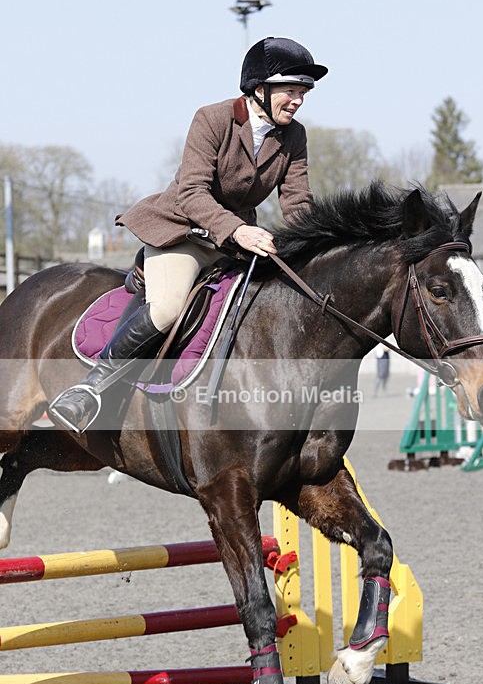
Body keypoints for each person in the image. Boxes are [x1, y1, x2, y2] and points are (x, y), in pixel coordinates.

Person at [49, 37, 328, 433]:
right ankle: (89, 389)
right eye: (290, 90)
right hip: (182, 230)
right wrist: (240, 230)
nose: (298, 100)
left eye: (303, 92)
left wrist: (316, 244)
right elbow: (192, 192)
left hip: (232, 240)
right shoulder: (212, 119)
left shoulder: (294, 136)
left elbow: (298, 200)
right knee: (167, 308)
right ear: (258, 89)